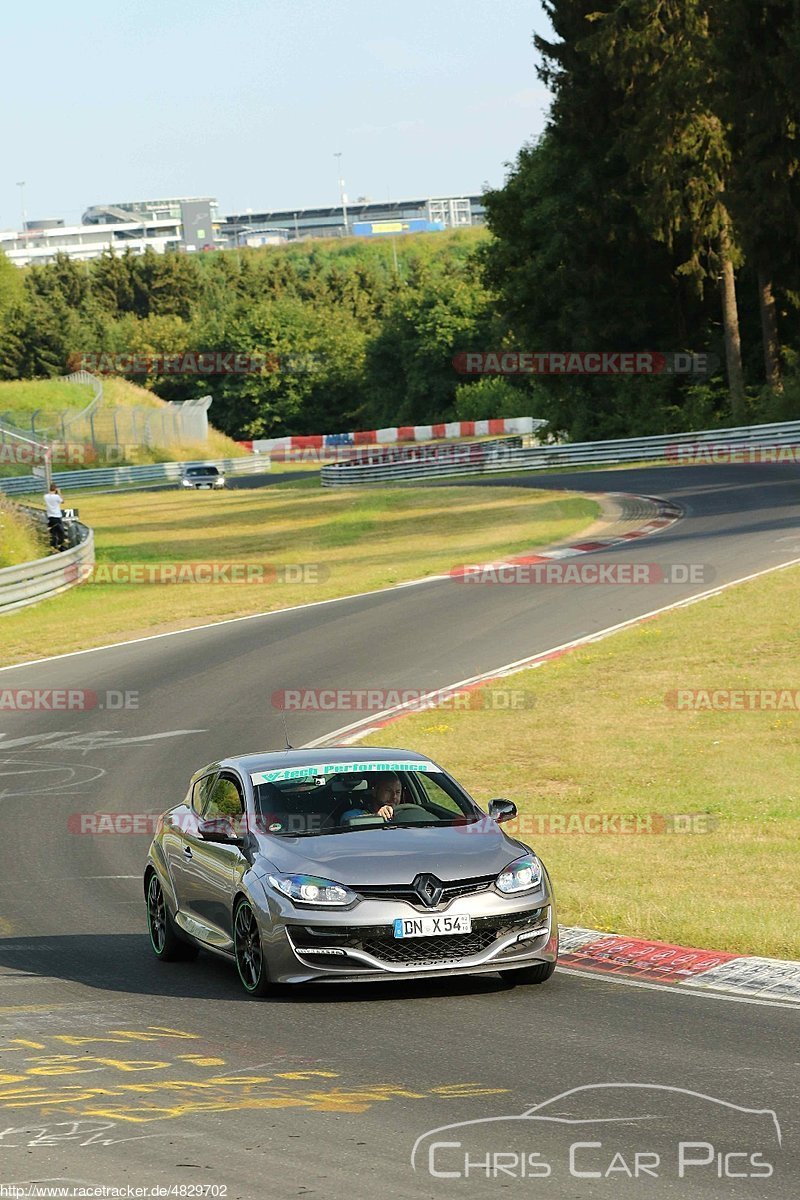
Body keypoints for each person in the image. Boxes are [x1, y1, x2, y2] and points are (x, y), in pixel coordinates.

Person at [44, 483, 66, 551]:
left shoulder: (45, 496)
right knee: (61, 533)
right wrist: (59, 493)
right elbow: (63, 501)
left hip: (50, 516)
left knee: (53, 532)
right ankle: (60, 545)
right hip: (57, 516)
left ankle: (53, 546)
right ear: (55, 489)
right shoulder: (56, 497)